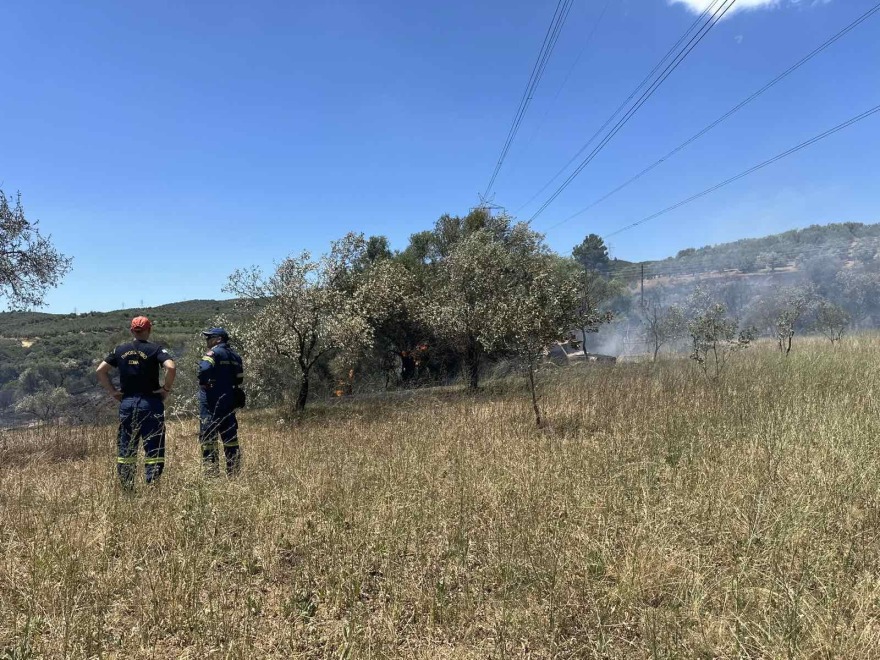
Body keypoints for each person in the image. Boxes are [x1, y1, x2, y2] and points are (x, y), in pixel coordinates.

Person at [96, 316, 176, 489]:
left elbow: (101, 370)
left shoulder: (119, 349)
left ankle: (127, 486)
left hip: (128, 402)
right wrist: (166, 389)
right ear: (149, 330)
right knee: (153, 445)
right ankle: (152, 485)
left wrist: (113, 392)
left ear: (132, 331)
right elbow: (170, 367)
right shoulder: (156, 349)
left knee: (127, 445)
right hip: (150, 402)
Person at [198, 327, 244, 476]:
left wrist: (205, 382)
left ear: (218, 339)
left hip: (211, 401)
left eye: (209, 337)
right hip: (229, 400)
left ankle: (211, 474)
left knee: (209, 438)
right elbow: (240, 378)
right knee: (230, 438)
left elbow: (204, 369)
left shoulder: (213, 353)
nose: (207, 340)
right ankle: (234, 472)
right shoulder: (235, 356)